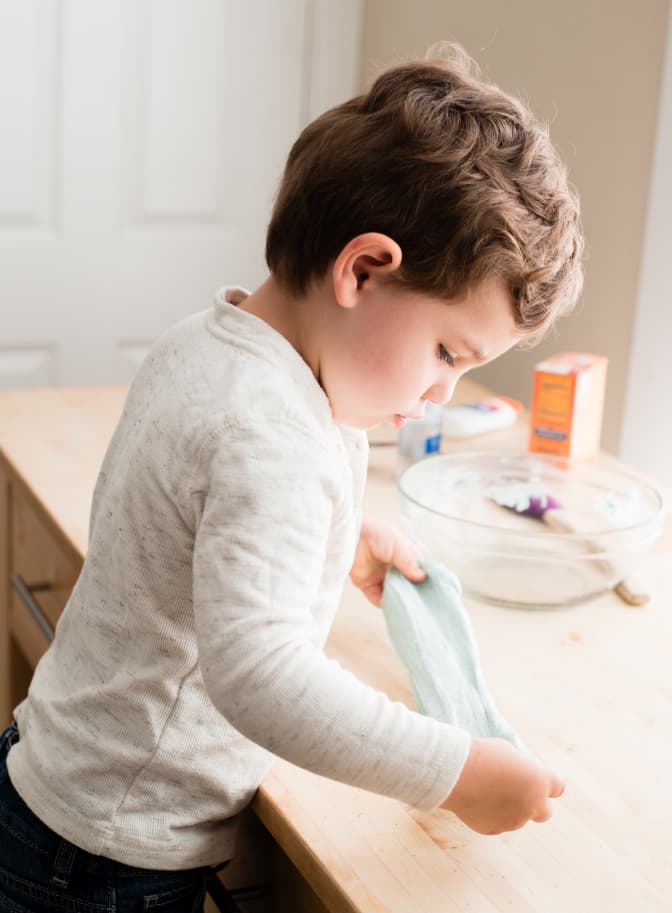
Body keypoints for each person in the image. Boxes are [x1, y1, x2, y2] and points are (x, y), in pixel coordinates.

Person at [0, 43, 583, 912]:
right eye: (446, 353)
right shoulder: (270, 431)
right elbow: (262, 674)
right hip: (108, 854)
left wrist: (334, 534)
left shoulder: (216, 342)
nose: (438, 395)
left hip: (58, 784)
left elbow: (203, 507)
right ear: (362, 270)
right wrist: (452, 770)